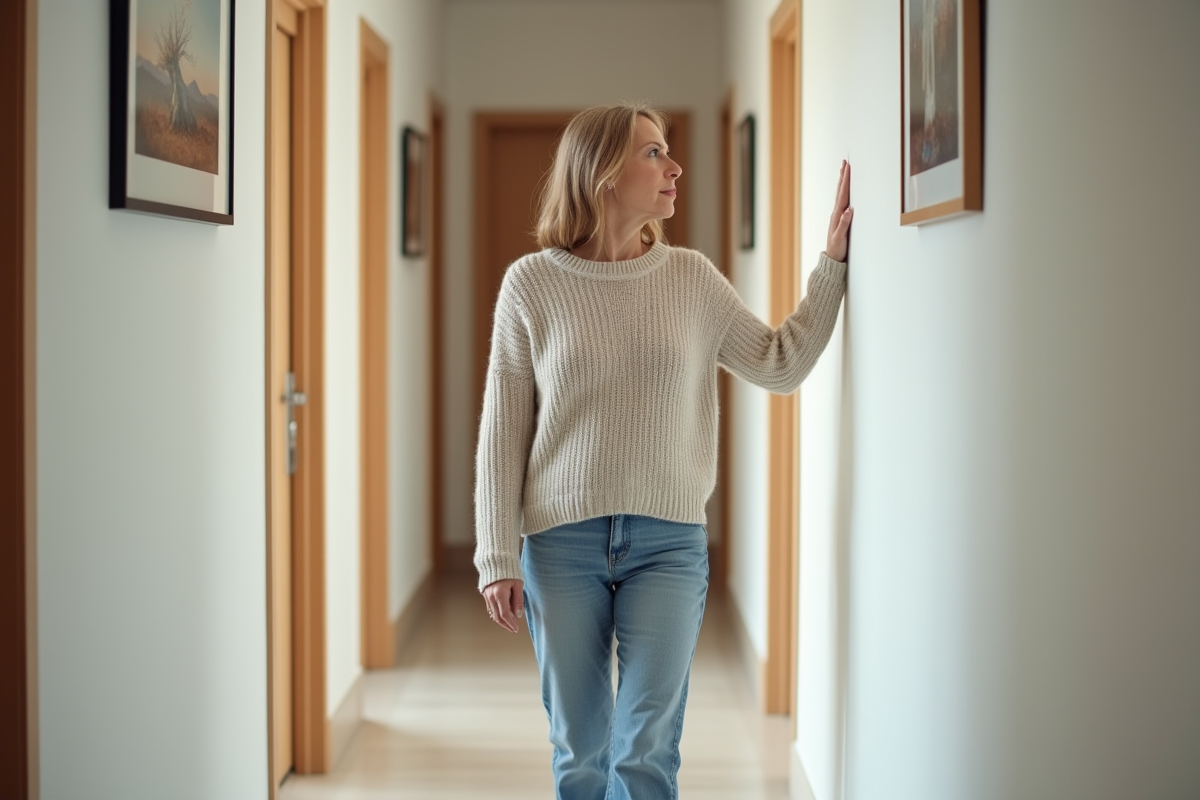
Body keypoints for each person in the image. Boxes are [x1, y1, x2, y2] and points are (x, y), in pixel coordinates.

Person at [474, 102, 852, 800]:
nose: (675, 166)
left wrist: (830, 268)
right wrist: (496, 554)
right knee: (581, 754)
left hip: (669, 544)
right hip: (560, 546)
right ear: (603, 173)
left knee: (645, 752)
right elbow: (503, 430)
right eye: (653, 153)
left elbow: (778, 362)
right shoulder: (531, 285)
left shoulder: (691, 279)